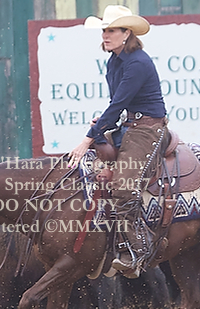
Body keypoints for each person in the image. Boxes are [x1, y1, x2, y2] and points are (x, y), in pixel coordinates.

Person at [67, 5, 168, 273]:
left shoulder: (137, 62)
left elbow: (118, 103)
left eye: (112, 30)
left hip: (148, 129)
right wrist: (101, 125)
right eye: (104, 30)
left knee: (123, 187)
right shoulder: (114, 61)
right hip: (130, 125)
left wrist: (88, 138)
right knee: (91, 172)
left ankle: (140, 248)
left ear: (127, 34)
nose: (105, 35)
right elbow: (117, 105)